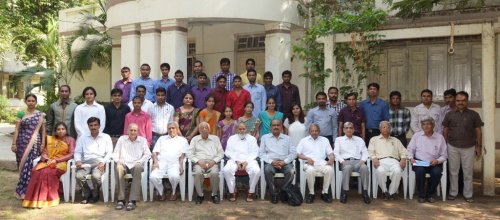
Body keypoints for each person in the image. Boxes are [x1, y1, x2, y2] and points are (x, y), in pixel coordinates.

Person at [442, 91, 483, 203]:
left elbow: (478, 131)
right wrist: (444, 145)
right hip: (452, 146)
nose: (460, 103)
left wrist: (479, 146)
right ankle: (453, 192)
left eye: (463, 100)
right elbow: (445, 130)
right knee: (453, 171)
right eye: (458, 100)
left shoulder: (474, 114)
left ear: (467, 101)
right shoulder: (449, 114)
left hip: (469, 147)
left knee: (468, 172)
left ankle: (468, 194)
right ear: (455, 101)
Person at [22, 122, 75, 208]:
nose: (60, 131)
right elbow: (44, 152)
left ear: (66, 130)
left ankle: (49, 199)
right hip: (48, 161)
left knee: (48, 172)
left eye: (62, 129)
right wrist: (47, 159)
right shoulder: (51, 139)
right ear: (55, 131)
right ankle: (33, 200)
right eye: (58, 129)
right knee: (36, 171)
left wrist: (56, 160)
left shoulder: (70, 139)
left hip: (61, 163)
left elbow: (71, 154)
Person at [11, 94, 46, 199]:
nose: (31, 102)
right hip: (21, 142)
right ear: (25, 102)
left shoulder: (41, 115)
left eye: (33, 101)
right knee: (22, 165)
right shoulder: (21, 113)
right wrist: (13, 143)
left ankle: (31, 190)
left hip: (35, 143)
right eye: (29, 100)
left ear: (36, 102)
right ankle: (22, 191)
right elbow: (17, 129)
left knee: (32, 166)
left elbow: (43, 131)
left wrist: (43, 144)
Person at [407, 117, 447, 203]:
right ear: (421, 126)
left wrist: (437, 161)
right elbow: (410, 149)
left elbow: (444, 155)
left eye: (428, 124)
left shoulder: (440, 137)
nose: (426, 126)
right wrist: (411, 158)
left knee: (436, 173)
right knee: (420, 172)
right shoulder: (417, 135)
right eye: (423, 124)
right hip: (419, 162)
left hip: (434, 162)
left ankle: (430, 194)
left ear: (433, 125)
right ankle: (421, 195)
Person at [112, 123, 151, 211]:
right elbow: (115, 153)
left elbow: (148, 154)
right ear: (127, 131)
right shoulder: (122, 139)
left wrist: (140, 161)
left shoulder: (143, 140)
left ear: (138, 131)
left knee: (138, 167)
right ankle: (121, 199)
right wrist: (117, 161)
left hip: (136, 163)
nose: (133, 132)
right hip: (124, 162)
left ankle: (132, 200)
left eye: (135, 130)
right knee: (118, 168)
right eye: (131, 130)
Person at [74, 117, 113, 204]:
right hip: (85, 162)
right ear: (88, 126)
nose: (93, 127)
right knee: (79, 176)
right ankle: (87, 193)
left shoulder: (106, 137)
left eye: (95, 125)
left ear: (99, 126)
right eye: (91, 125)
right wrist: (78, 161)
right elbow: (77, 152)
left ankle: (95, 192)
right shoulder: (83, 137)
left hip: (99, 162)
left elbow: (109, 152)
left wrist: (103, 162)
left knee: (96, 177)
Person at [186, 122, 224, 204]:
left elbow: (221, 153)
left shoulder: (215, 138)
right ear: (199, 130)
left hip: (212, 162)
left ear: (209, 129)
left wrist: (213, 161)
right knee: (197, 172)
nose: (204, 129)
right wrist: (198, 161)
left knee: (214, 173)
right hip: (199, 163)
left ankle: (214, 194)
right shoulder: (195, 139)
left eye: (206, 127)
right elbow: (189, 153)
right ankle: (200, 195)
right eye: (202, 128)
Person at [368, 121, 407, 200]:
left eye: (388, 127)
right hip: (380, 161)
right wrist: (374, 158)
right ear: (380, 129)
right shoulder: (374, 139)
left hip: (394, 161)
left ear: (390, 129)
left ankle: (391, 192)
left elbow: (404, 151)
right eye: (384, 127)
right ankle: (385, 191)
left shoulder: (396, 140)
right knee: (380, 171)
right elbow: (370, 151)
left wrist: (403, 159)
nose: (386, 129)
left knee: (397, 171)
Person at [259, 120, 296, 204]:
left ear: (281, 127)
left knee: (291, 171)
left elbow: (294, 153)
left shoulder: (287, 138)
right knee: (267, 170)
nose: (276, 127)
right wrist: (272, 162)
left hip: (285, 162)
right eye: (274, 125)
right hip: (271, 163)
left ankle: (284, 191)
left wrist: (284, 162)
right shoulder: (265, 138)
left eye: (278, 125)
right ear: (270, 127)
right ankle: (274, 194)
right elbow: (261, 153)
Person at [296, 124, 335, 204]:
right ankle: (311, 193)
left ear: (319, 131)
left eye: (316, 131)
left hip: (321, 163)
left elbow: (330, 152)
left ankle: (325, 192)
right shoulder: (303, 141)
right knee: (310, 170)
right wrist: (307, 158)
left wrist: (331, 158)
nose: (314, 132)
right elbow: (297, 154)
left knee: (330, 169)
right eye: (312, 131)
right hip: (308, 163)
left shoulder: (324, 140)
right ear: (309, 132)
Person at [334, 122, 371, 204]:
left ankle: (365, 193)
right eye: (346, 128)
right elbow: (336, 153)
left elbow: (365, 152)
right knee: (347, 168)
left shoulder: (359, 139)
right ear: (343, 130)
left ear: (354, 129)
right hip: (345, 161)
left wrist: (362, 161)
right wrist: (342, 161)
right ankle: (345, 193)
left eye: (351, 128)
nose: (349, 129)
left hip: (358, 161)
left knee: (365, 168)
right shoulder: (339, 140)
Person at [223, 123, 261, 202]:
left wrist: (246, 162)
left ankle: (251, 191)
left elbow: (255, 152)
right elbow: (228, 151)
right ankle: (232, 191)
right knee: (226, 170)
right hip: (234, 160)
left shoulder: (252, 139)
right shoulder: (231, 138)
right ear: (237, 130)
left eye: (243, 129)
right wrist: (236, 161)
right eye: (240, 129)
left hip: (249, 160)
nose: (242, 130)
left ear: (246, 129)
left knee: (256, 171)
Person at [150, 122, 187, 201]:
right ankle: (161, 192)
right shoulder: (161, 139)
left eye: (173, 128)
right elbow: (154, 152)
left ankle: (173, 192)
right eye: (169, 128)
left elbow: (183, 155)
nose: (171, 130)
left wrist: (181, 165)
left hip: (174, 163)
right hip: (161, 163)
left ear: (177, 129)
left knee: (175, 176)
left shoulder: (183, 140)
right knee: (153, 177)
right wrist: (155, 162)